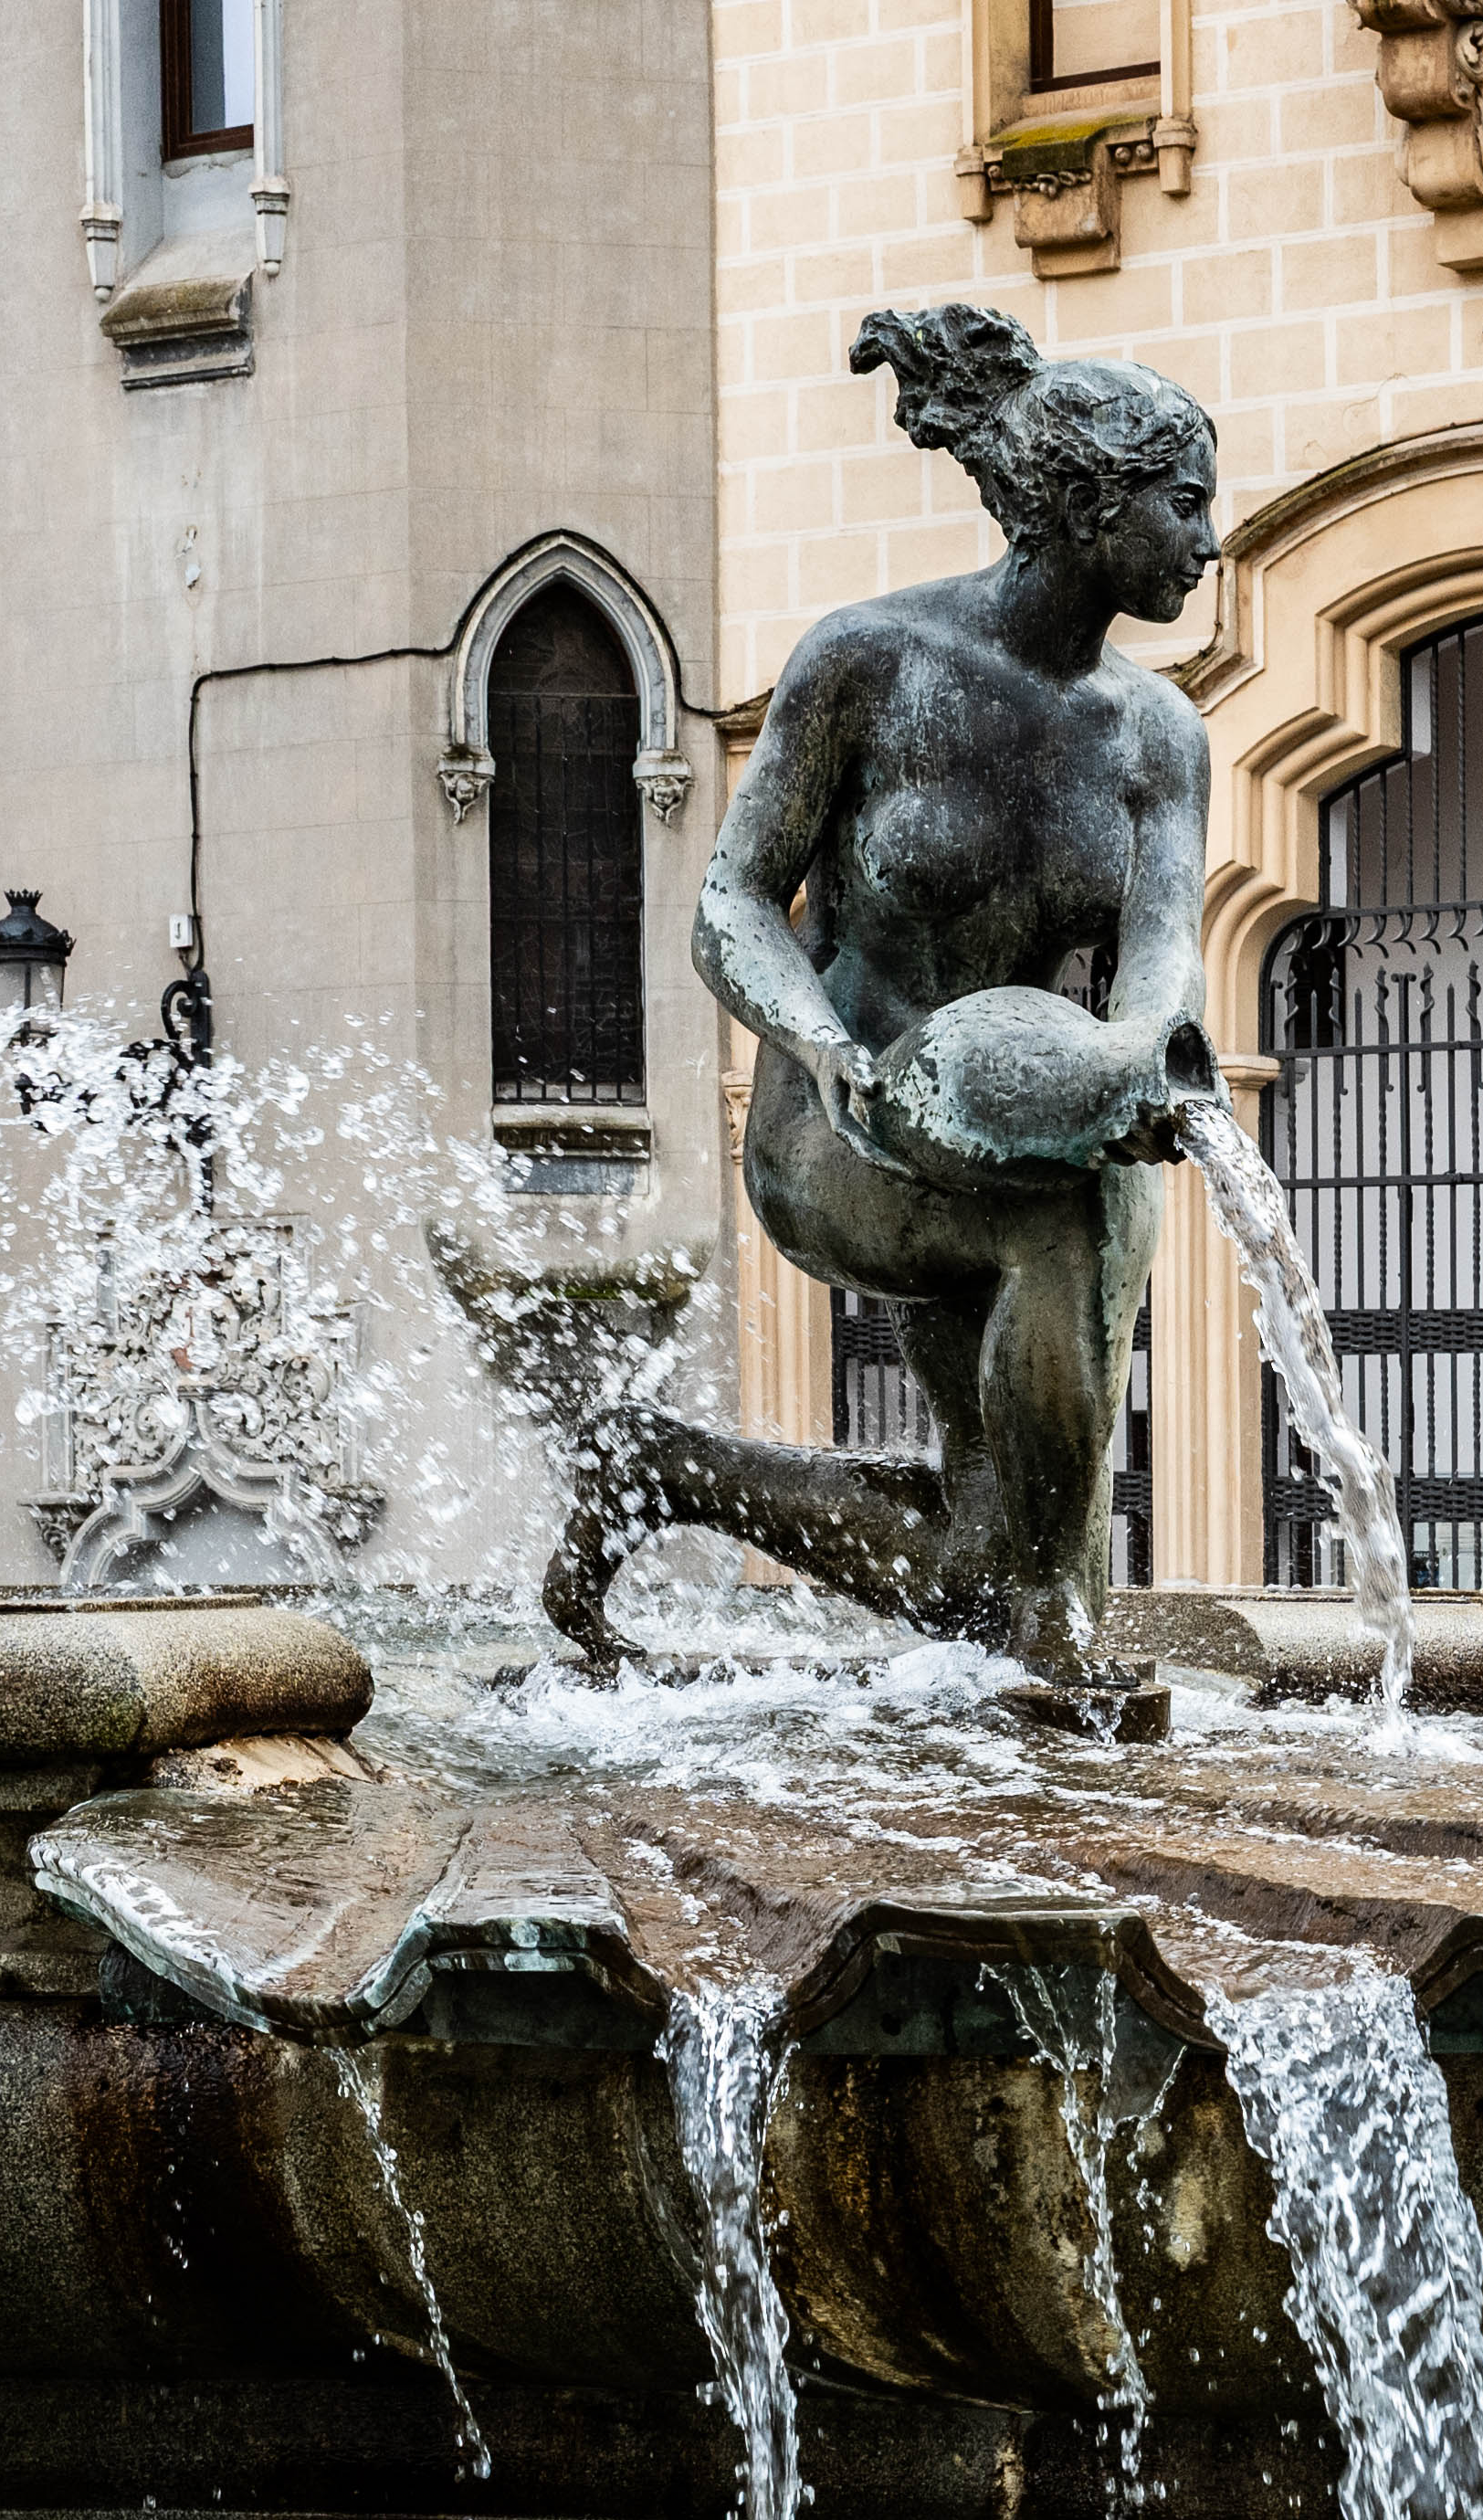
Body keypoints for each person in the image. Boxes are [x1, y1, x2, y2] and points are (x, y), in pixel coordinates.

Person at [535, 303, 1222, 1684]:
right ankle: (1057, 1654)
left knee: (982, 1558)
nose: (1209, 542)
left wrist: (1151, 1054)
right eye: (1185, 505)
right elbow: (730, 900)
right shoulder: (870, 661)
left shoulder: (1159, 732)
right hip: (845, 1116)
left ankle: (664, 1468)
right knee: (1059, 1238)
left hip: (1025, 1098)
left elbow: (1162, 946)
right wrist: (820, 1045)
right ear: (1090, 508)